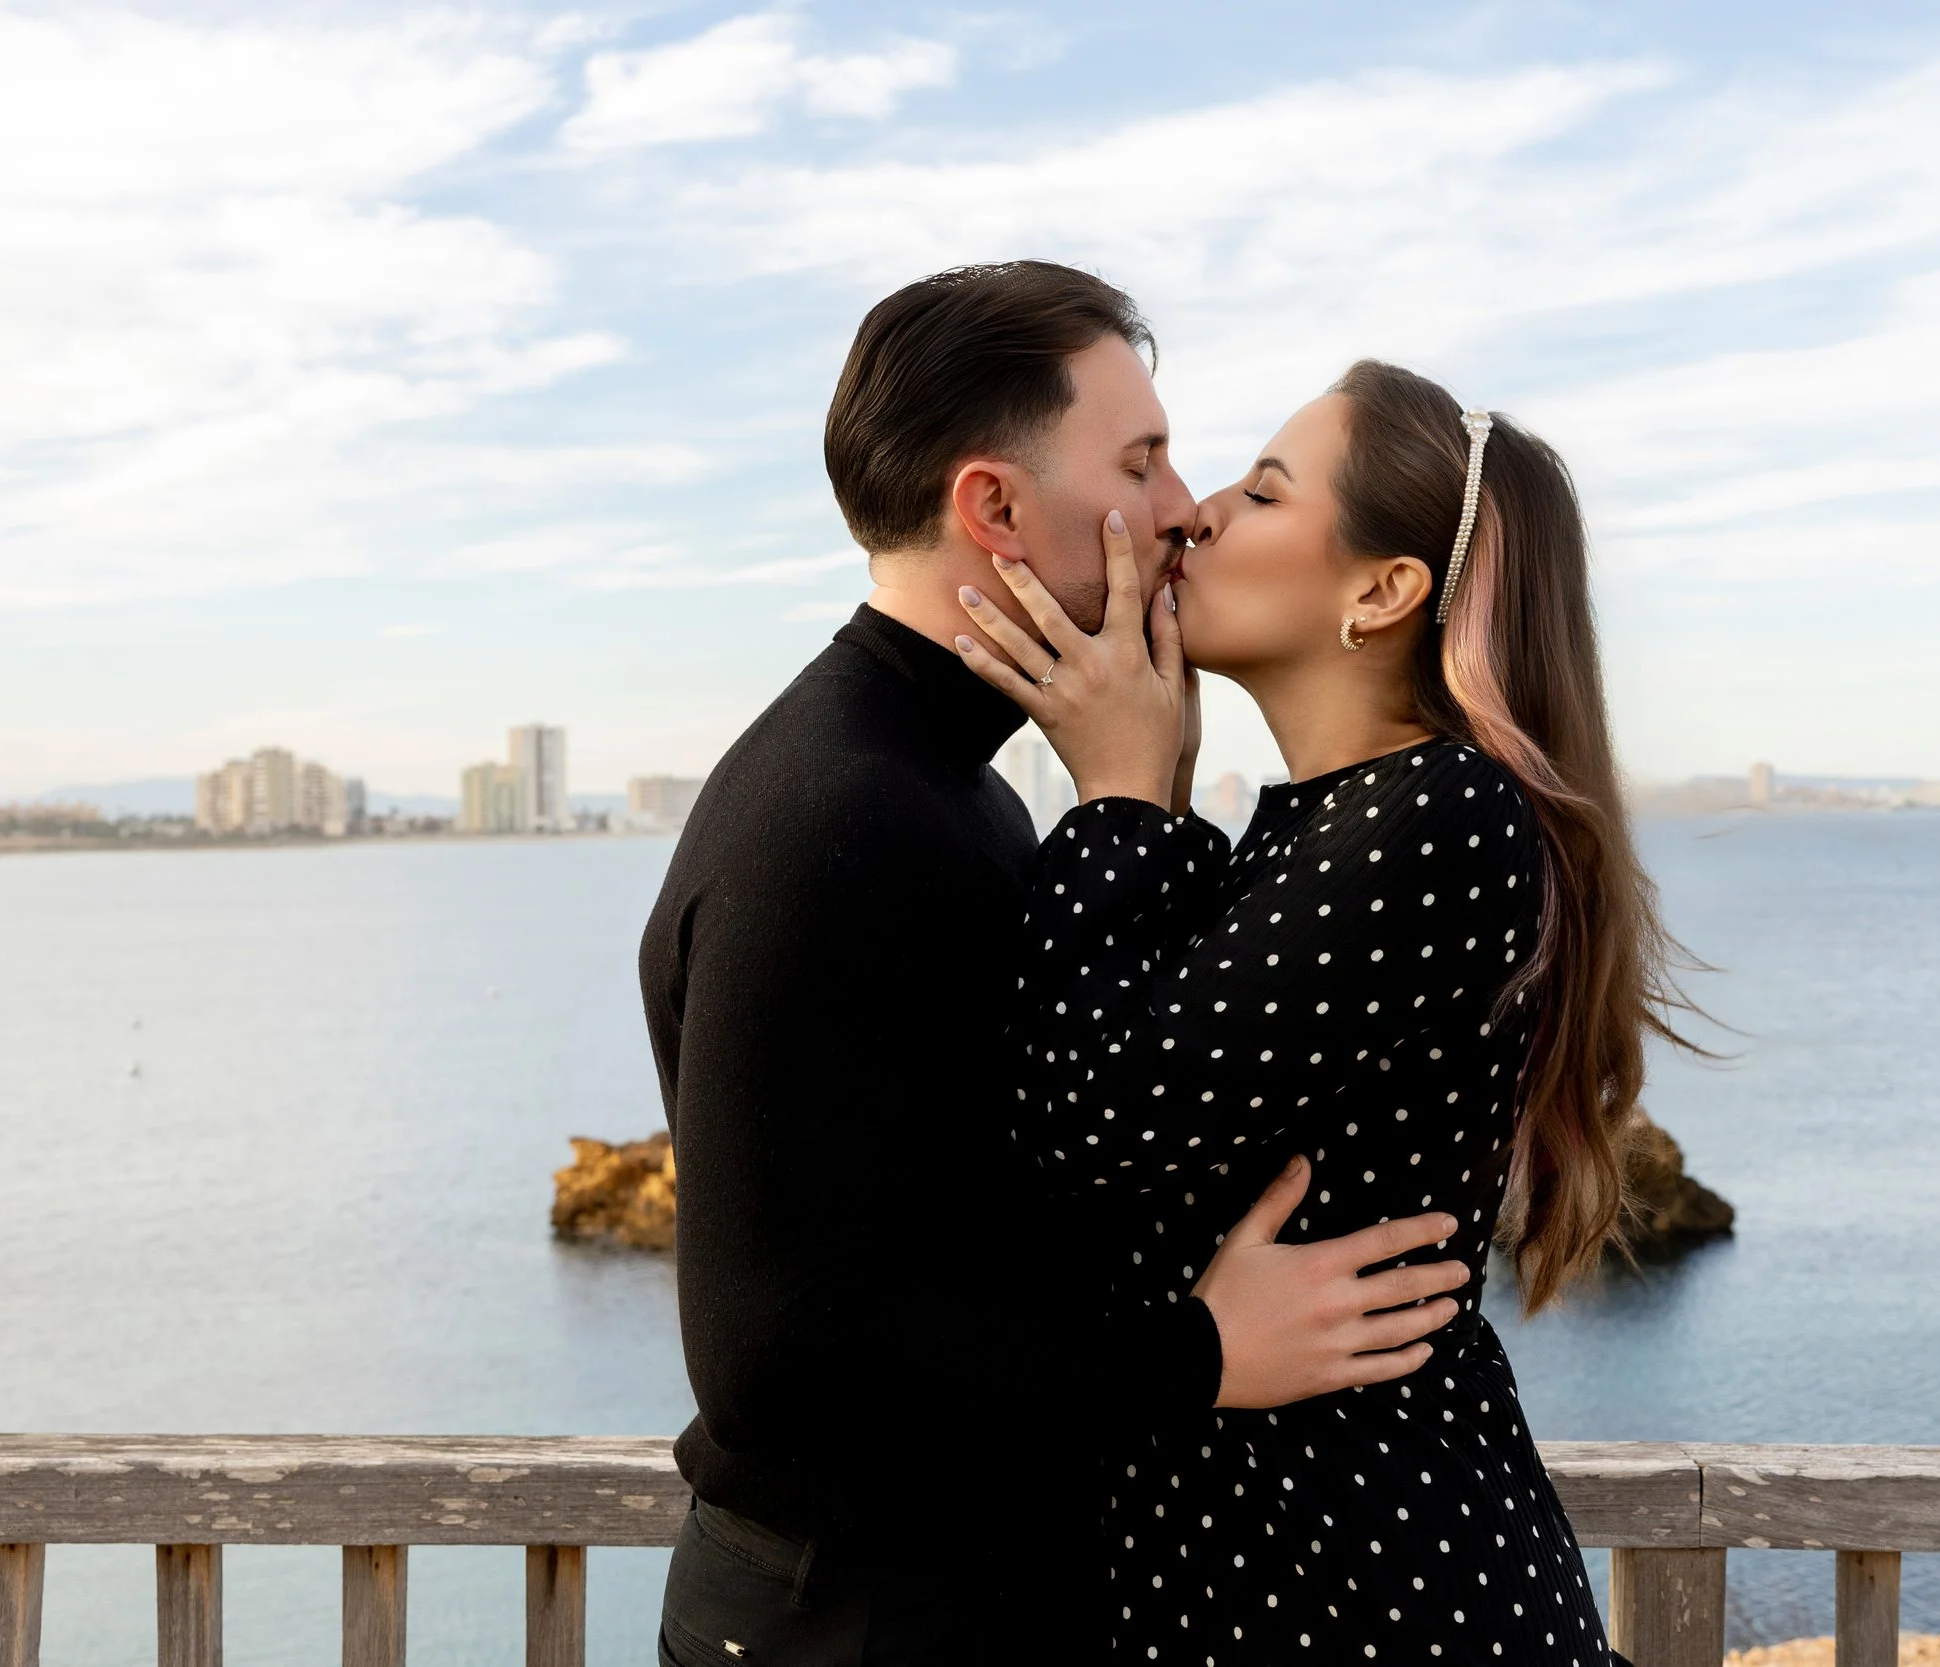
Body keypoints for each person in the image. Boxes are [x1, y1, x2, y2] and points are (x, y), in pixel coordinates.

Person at [639, 266, 1476, 1667]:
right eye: (1140, 460)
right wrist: (1199, 1355)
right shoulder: (843, 811)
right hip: (853, 1617)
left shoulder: (945, 787)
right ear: (996, 509)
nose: (1179, 504)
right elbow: (773, 1365)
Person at [956, 359, 1695, 1661]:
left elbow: (1089, 1118)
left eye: (1264, 491)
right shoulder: (1313, 835)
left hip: (1380, 1592)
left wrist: (1120, 792)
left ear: (1380, 590)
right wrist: (1159, 794)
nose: (1198, 515)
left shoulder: (1445, 813)